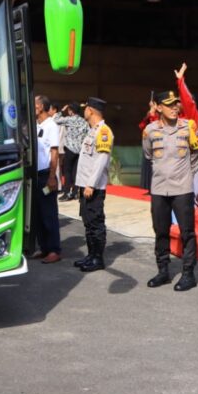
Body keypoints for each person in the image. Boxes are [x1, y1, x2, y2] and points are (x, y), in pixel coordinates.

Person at [142, 89, 198, 291]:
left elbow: (196, 155)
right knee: (160, 231)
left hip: (182, 189)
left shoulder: (188, 127)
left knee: (187, 232)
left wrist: (185, 175)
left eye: (176, 104)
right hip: (159, 189)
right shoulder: (150, 130)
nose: (174, 108)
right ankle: (163, 271)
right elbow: (148, 155)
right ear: (159, 108)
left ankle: (188, 274)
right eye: (169, 105)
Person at [74, 97, 113, 272]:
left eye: (85, 108)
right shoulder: (92, 131)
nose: (84, 111)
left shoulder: (103, 131)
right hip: (85, 186)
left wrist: (90, 184)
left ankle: (98, 259)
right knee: (88, 222)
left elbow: (101, 161)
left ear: (90, 110)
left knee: (96, 223)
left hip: (94, 187)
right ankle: (90, 256)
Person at [31, 95, 62, 263]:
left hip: (46, 175)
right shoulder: (35, 125)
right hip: (35, 176)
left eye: (35, 104)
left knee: (49, 214)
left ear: (41, 106)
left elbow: (54, 152)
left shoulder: (51, 125)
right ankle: (44, 248)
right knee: (38, 214)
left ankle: (54, 250)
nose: (33, 107)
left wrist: (52, 176)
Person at [54, 103, 87, 201]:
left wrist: (61, 111)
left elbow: (55, 120)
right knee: (76, 172)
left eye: (69, 110)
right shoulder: (84, 121)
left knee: (67, 171)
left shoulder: (69, 119)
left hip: (70, 149)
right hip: (80, 150)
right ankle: (75, 192)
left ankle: (67, 192)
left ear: (71, 111)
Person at [138, 97, 158, 193]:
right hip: (148, 143)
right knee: (148, 167)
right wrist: (149, 115)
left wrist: (153, 115)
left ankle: (155, 188)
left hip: (157, 144)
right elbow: (141, 126)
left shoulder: (160, 115)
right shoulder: (149, 113)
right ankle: (149, 188)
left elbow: (156, 126)